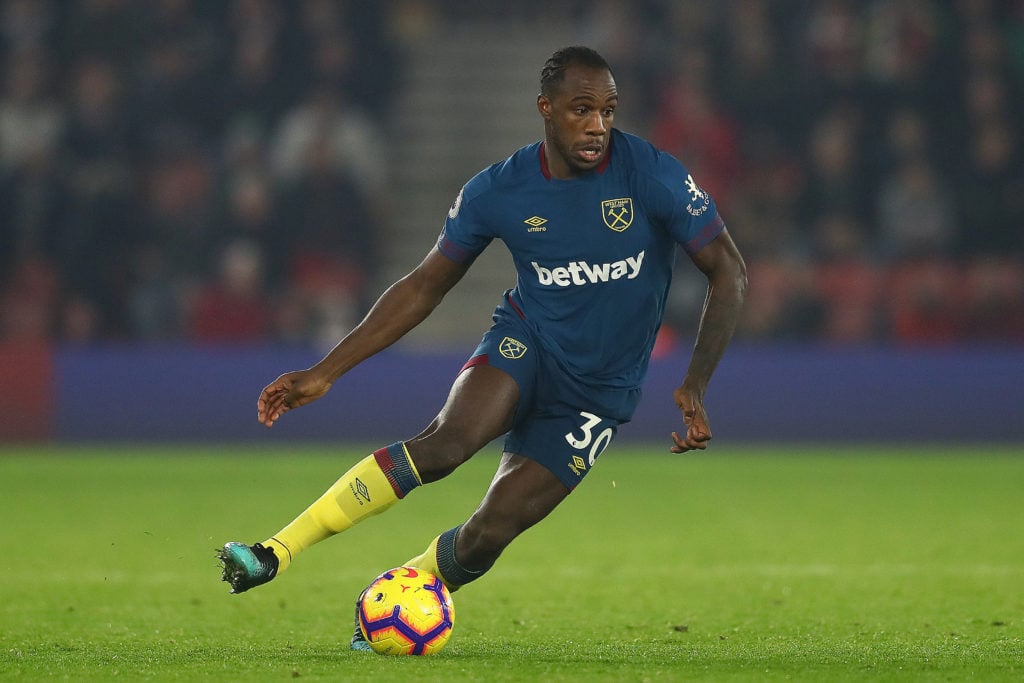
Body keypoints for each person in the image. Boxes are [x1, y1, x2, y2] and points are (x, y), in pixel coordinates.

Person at [218, 46, 748, 650]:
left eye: (608, 110)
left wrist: (696, 382)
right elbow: (424, 286)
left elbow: (728, 271)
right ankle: (275, 552)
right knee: (445, 446)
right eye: (581, 109)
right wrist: (327, 371)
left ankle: (405, 591)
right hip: (527, 344)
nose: (598, 125)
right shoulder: (499, 189)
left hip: (599, 393)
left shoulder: (651, 174)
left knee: (487, 534)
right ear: (545, 110)